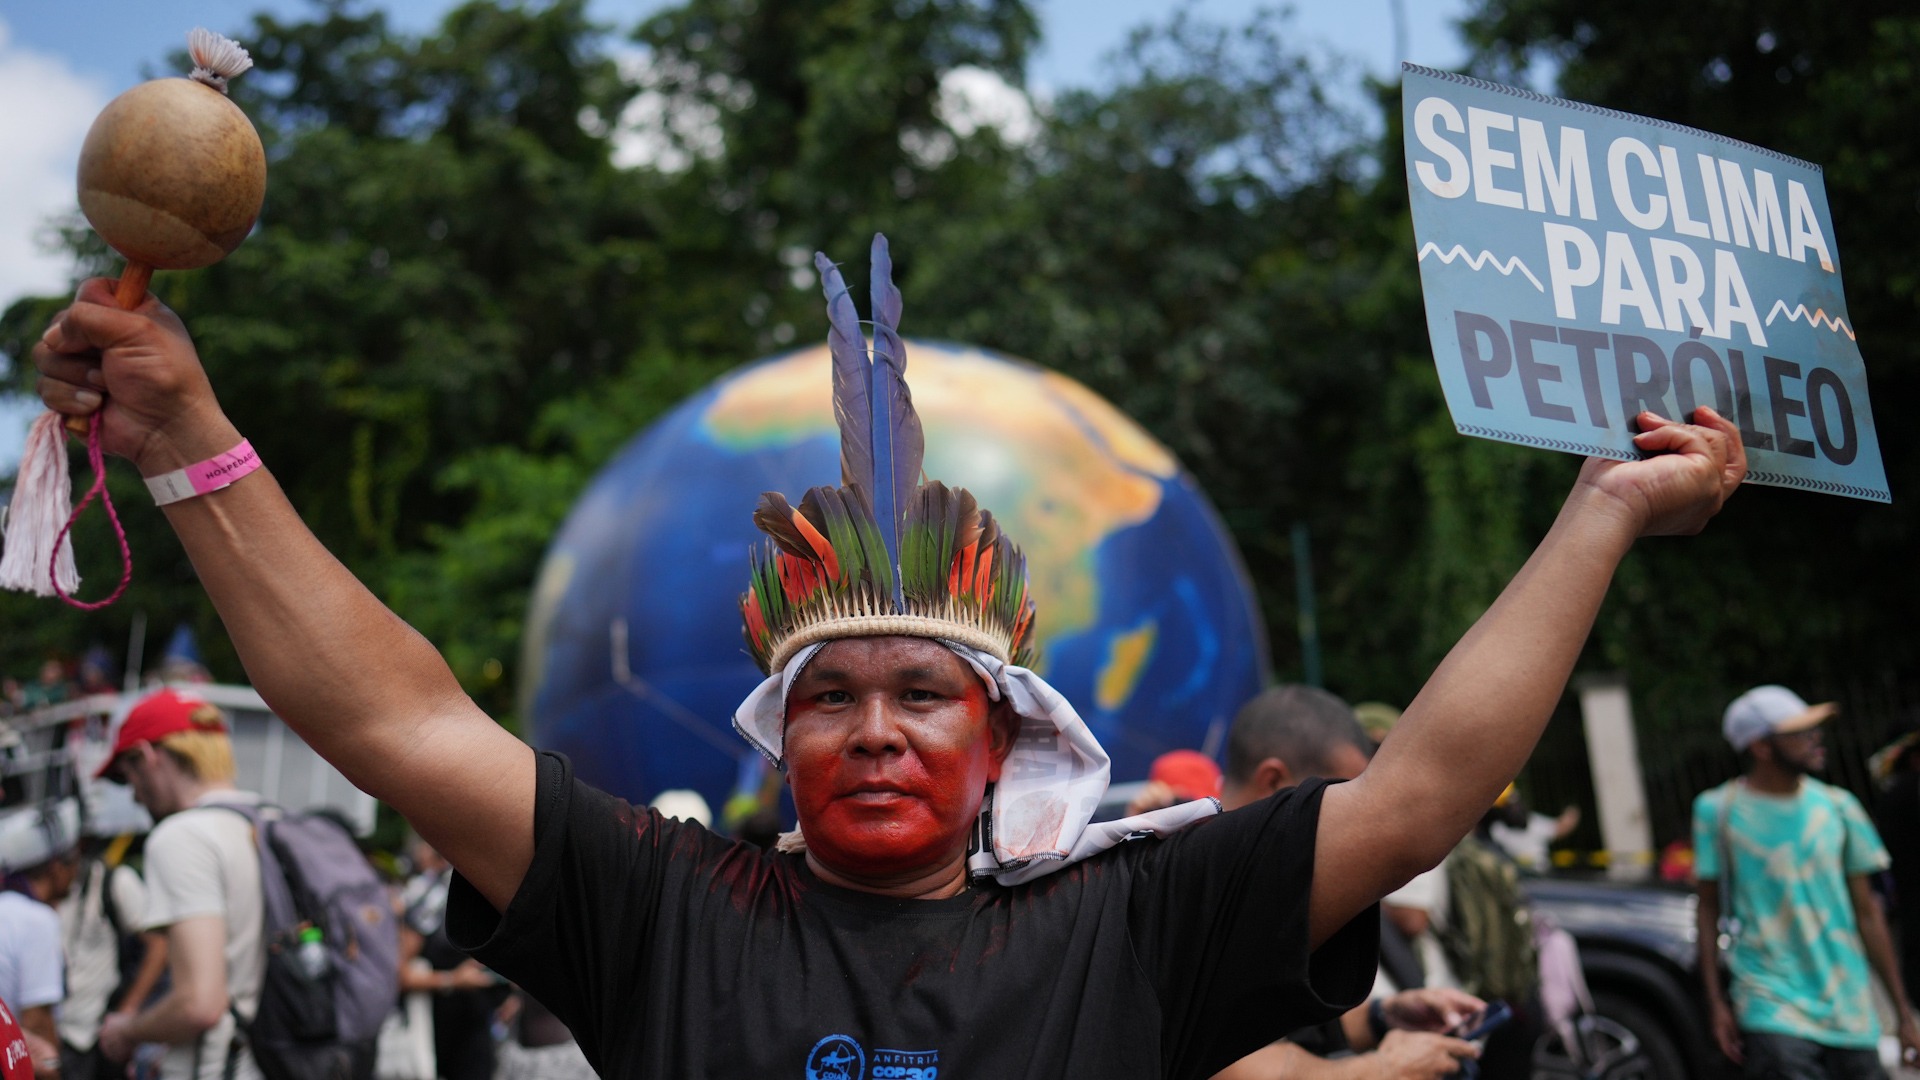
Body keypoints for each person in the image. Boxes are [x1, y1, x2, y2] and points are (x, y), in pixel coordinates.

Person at [30, 234, 1745, 1079]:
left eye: (924, 694)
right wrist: (188, 438)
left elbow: (1430, 787)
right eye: (829, 698)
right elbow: (397, 716)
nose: (872, 727)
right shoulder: (669, 909)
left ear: (1005, 737)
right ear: (778, 740)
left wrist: (1596, 514)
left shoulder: (1131, 923)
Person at [1215, 685, 1482, 1080]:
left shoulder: (1271, 877)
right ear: (1273, 781)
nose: (1359, 824)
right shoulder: (1197, 887)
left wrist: (1386, 1015)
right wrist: (1383, 1069)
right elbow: (1231, 1066)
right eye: (1341, 798)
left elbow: (1298, 1025)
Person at [1693, 685, 1920, 1077]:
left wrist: (1903, 1013)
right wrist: (1715, 1003)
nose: (1815, 739)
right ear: (1761, 746)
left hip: (1851, 1012)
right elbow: (1708, 907)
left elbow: (1868, 912)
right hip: (1770, 1006)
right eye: (1800, 732)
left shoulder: (1839, 808)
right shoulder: (1718, 811)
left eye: (1815, 729)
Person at [93, 690, 268, 1080]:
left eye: (127, 776)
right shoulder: (271, 820)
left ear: (146, 755)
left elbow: (199, 1003)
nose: (135, 795)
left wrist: (127, 1030)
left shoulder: (182, 836)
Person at [56, 840, 160, 1080]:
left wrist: (127, 1010)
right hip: (55, 1031)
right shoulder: (32, 886)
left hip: (96, 1032)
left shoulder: (113, 882)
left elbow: (159, 943)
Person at [397, 839, 500, 1080]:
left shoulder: (480, 889)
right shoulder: (426, 895)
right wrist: (452, 980)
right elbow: (400, 975)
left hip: (475, 1029)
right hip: (432, 1031)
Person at [0, 801, 80, 1080]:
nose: (76, 872)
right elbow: (37, 1020)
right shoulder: (38, 920)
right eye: (73, 862)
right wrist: (52, 1073)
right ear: (56, 867)